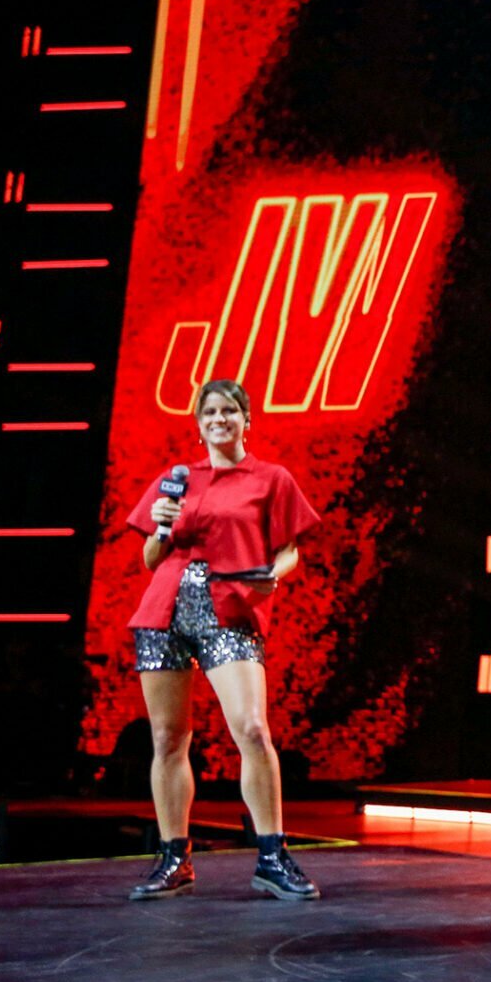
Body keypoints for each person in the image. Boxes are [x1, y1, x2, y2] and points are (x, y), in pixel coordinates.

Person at [124, 379, 322, 901]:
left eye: (229, 410)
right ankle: (174, 858)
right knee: (168, 740)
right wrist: (162, 528)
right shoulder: (175, 480)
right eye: (209, 411)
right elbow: (148, 559)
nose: (219, 419)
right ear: (198, 422)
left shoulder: (270, 478)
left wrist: (271, 576)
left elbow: (290, 550)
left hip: (228, 611)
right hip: (164, 612)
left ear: (246, 419)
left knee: (253, 730)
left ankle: (272, 855)